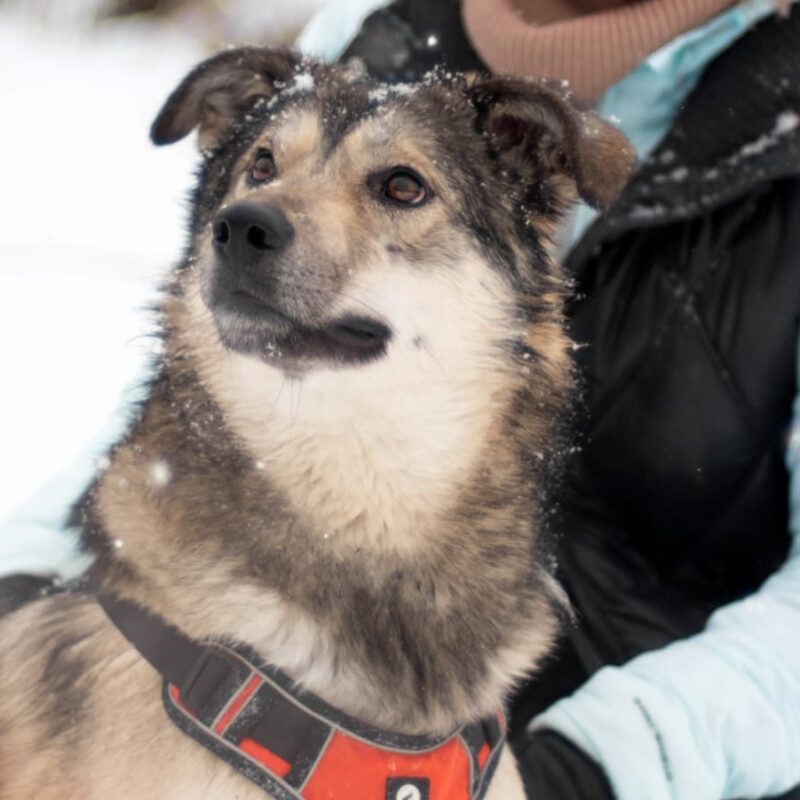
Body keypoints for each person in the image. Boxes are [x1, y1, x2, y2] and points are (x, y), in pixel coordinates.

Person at [2, 1, 799, 798]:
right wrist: (17, 588)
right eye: (263, 170)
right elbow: (167, 414)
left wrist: (592, 768)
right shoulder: (368, 28)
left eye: (398, 187)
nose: (264, 214)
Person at [314, 0, 800, 797]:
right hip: (327, 721)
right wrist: (35, 586)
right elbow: (200, 410)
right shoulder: (378, 40)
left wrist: (596, 761)